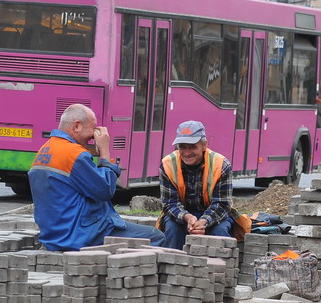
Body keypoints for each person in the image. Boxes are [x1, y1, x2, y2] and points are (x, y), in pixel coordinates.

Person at [28, 104, 166, 251]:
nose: (94, 136)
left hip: (54, 234)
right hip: (79, 234)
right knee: (156, 237)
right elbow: (105, 189)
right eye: (93, 128)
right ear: (77, 126)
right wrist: (105, 152)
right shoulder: (74, 154)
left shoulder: (45, 150)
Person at [158, 120, 252, 250]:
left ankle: (220, 268)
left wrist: (204, 221)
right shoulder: (168, 165)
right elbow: (169, 204)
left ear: (204, 145)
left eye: (192, 147)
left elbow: (222, 204)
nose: (186, 152)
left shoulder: (221, 165)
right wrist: (188, 217)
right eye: (182, 147)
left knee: (219, 235)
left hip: (215, 214)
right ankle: (171, 268)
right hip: (181, 215)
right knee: (173, 230)